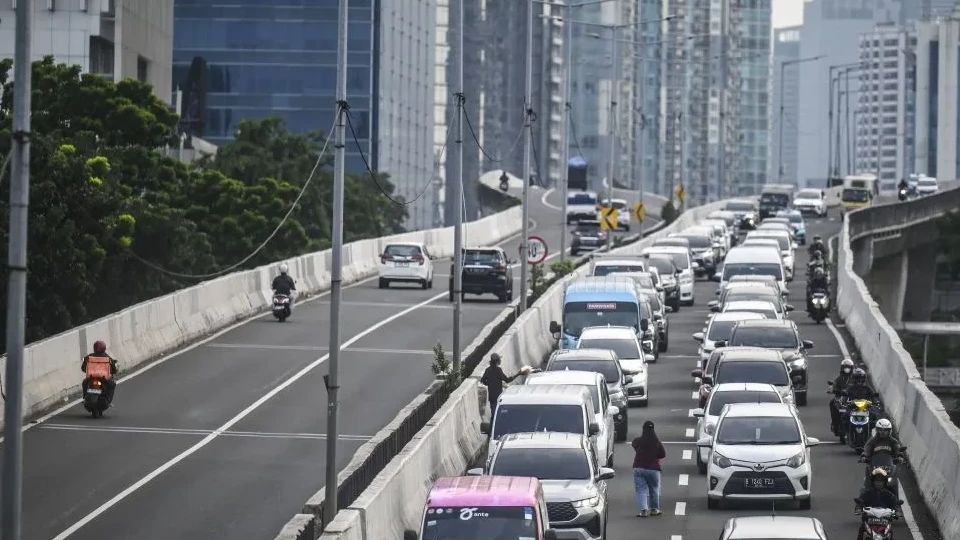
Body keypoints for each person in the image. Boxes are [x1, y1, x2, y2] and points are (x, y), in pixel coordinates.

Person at [632, 420, 666, 518]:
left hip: (639, 468)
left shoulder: (638, 441)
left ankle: (643, 511)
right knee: (654, 488)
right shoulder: (656, 442)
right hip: (653, 469)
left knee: (641, 489)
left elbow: (634, 443)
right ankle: (654, 509)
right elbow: (663, 454)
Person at [81, 340, 118, 404]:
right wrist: (113, 371)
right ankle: (108, 400)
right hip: (104, 378)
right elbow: (114, 370)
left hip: (91, 377)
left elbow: (83, 368)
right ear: (104, 348)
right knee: (112, 384)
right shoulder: (108, 358)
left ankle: (85, 397)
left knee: (84, 383)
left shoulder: (89, 357)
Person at [829, 359, 856, 434]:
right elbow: (834, 386)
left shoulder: (855, 379)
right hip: (840, 399)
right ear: (842, 368)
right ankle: (835, 424)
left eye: (848, 367)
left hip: (852, 399)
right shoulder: (839, 378)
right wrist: (833, 390)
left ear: (851, 368)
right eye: (845, 367)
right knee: (832, 403)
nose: (847, 369)